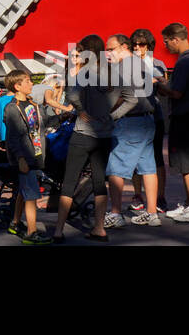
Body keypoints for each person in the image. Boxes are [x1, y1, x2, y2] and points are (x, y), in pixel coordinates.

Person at [51, 35, 132, 242]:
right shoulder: (114, 74)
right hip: (104, 134)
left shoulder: (86, 73)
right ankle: (99, 227)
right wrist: (113, 116)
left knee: (69, 181)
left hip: (83, 132)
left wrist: (81, 111)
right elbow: (132, 98)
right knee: (98, 182)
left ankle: (59, 230)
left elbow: (72, 95)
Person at [105, 33, 160, 228]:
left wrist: (108, 113)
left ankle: (115, 213)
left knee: (115, 168)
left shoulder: (121, 68)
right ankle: (152, 213)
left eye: (110, 49)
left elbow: (120, 97)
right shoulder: (140, 64)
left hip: (130, 122)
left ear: (123, 47)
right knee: (148, 167)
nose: (107, 53)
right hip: (147, 120)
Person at [159, 23, 189, 222]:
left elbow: (177, 92)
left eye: (166, 42)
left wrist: (161, 86)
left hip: (184, 116)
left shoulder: (184, 62)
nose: (166, 46)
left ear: (175, 39)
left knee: (186, 165)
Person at [1, 69, 50, 244]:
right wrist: (20, 159)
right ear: (17, 86)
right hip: (24, 157)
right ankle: (31, 232)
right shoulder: (12, 108)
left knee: (25, 190)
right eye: (28, 81)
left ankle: (15, 223)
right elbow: (13, 137)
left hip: (35, 154)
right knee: (31, 194)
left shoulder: (33, 104)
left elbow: (42, 126)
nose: (31, 84)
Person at [130, 29, 169, 215]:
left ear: (149, 46)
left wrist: (157, 81)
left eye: (142, 44)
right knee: (135, 158)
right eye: (135, 44)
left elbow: (164, 88)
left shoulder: (157, 63)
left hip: (154, 115)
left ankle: (160, 197)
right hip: (134, 117)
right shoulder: (127, 65)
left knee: (157, 157)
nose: (138, 48)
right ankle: (137, 195)